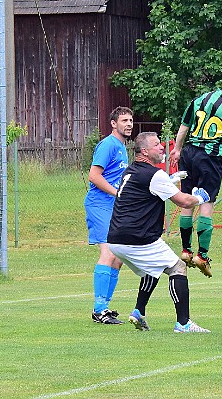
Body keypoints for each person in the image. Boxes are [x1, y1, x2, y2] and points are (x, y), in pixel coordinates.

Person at [108, 131, 212, 333]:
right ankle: (183, 323)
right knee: (177, 267)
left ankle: (138, 311)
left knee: (153, 268)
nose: (162, 147)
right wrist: (200, 198)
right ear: (145, 151)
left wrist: (170, 180)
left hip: (116, 239)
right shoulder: (155, 175)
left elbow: (148, 188)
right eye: (157, 145)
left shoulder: (131, 171)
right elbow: (183, 201)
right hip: (137, 238)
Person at [169, 62, 222, 277]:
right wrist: (218, 157)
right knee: (206, 202)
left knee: (187, 200)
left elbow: (184, 125)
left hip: (188, 153)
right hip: (209, 158)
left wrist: (177, 149)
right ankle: (202, 255)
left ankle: (186, 250)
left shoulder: (202, 99)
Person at [84, 106, 133, 325]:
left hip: (115, 206)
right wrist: (117, 192)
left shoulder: (122, 147)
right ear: (113, 123)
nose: (129, 124)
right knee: (108, 253)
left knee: (117, 258)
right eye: (124, 120)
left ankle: (105, 306)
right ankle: (99, 309)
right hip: (100, 205)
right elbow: (94, 176)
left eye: (131, 120)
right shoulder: (108, 144)